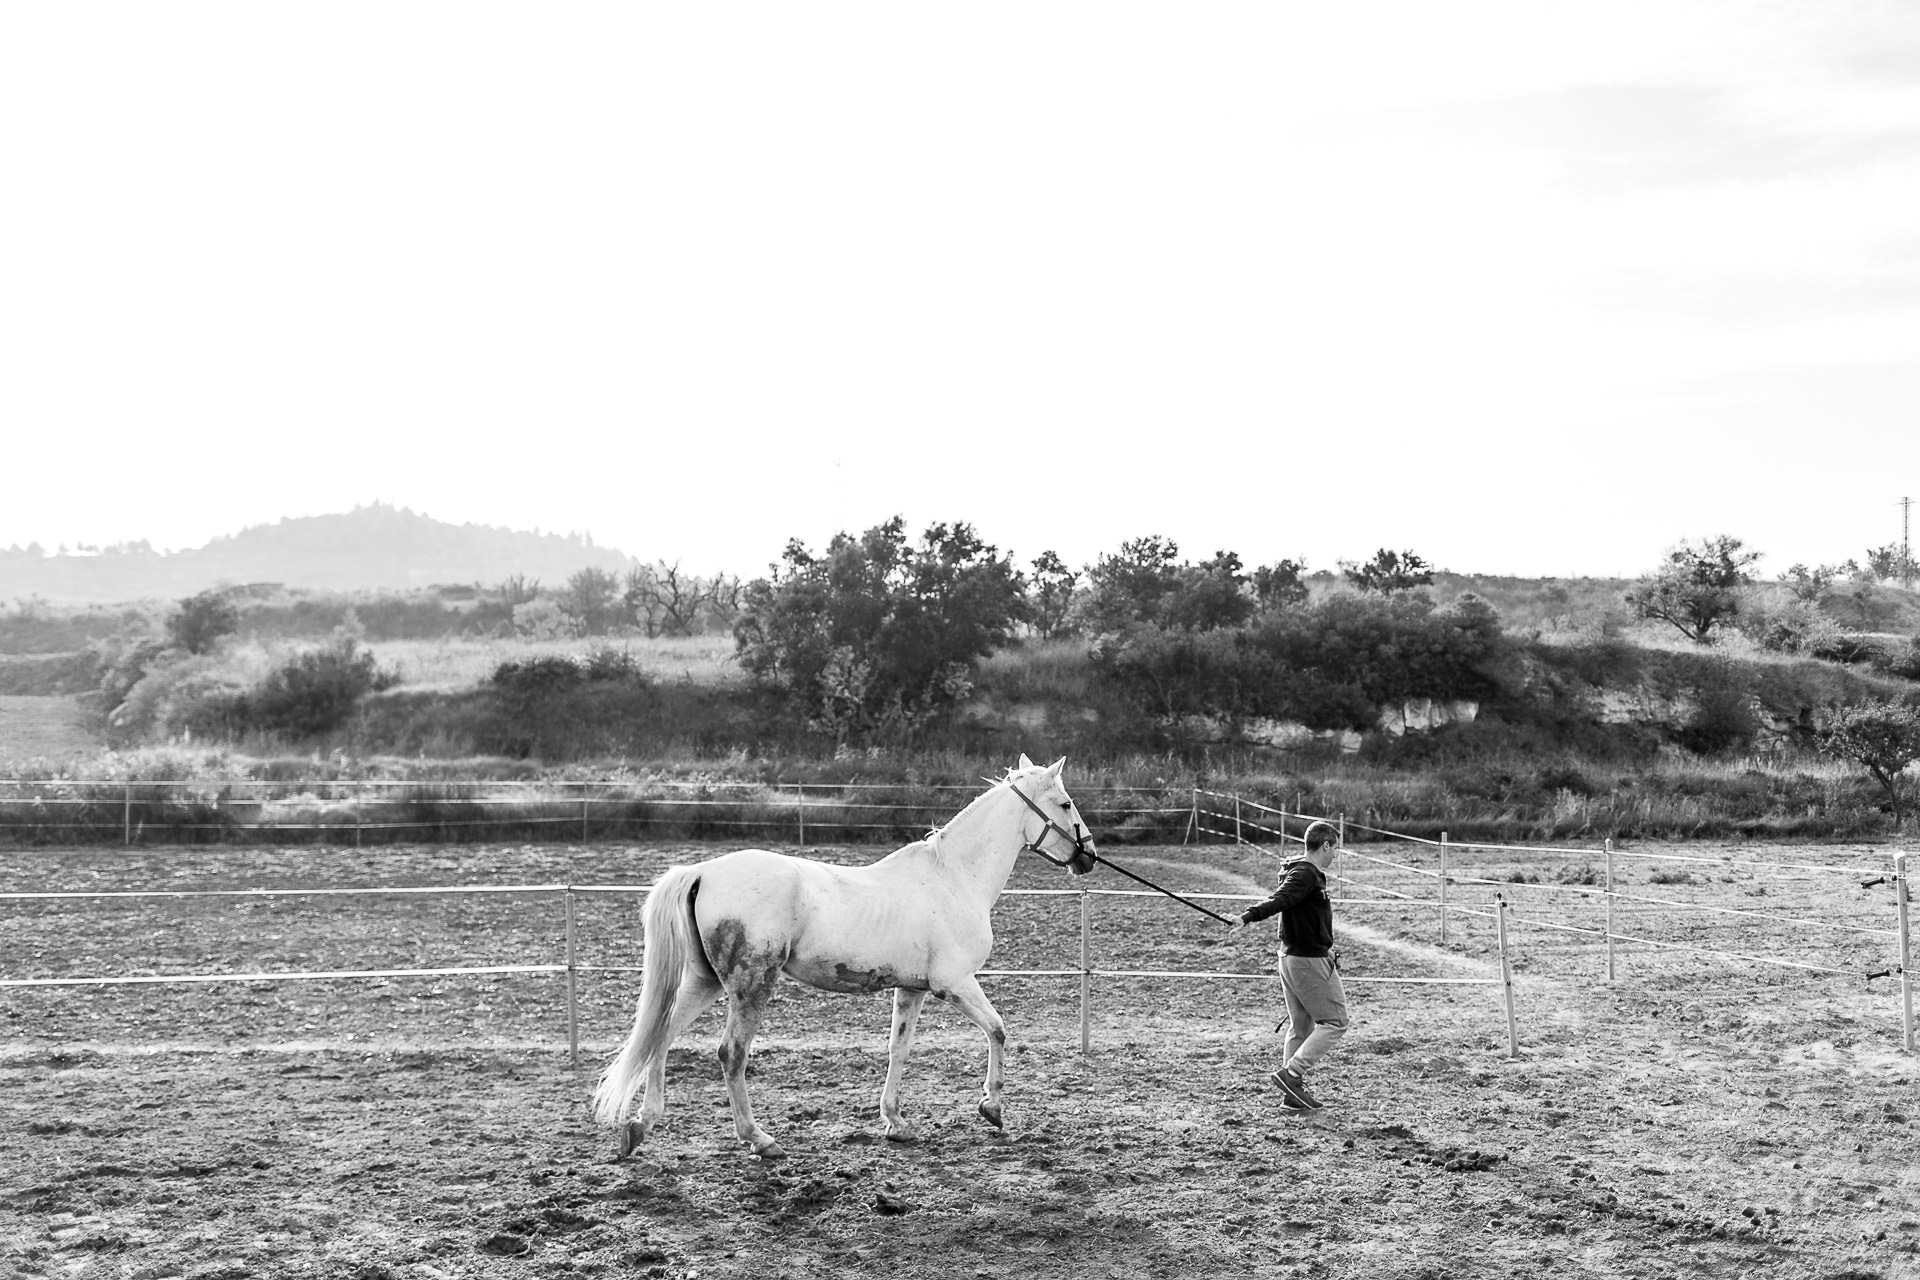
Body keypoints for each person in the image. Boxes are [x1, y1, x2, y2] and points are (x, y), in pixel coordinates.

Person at [1227, 819, 1349, 1111]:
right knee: (1336, 1022)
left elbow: (1287, 901)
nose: (1335, 855)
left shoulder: (1299, 871)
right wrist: (1248, 917)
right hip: (1308, 961)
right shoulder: (1306, 874)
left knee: (1302, 1025)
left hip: (1291, 958)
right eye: (1335, 849)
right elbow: (1280, 899)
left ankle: (1292, 1098)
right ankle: (1291, 1074)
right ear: (1326, 845)